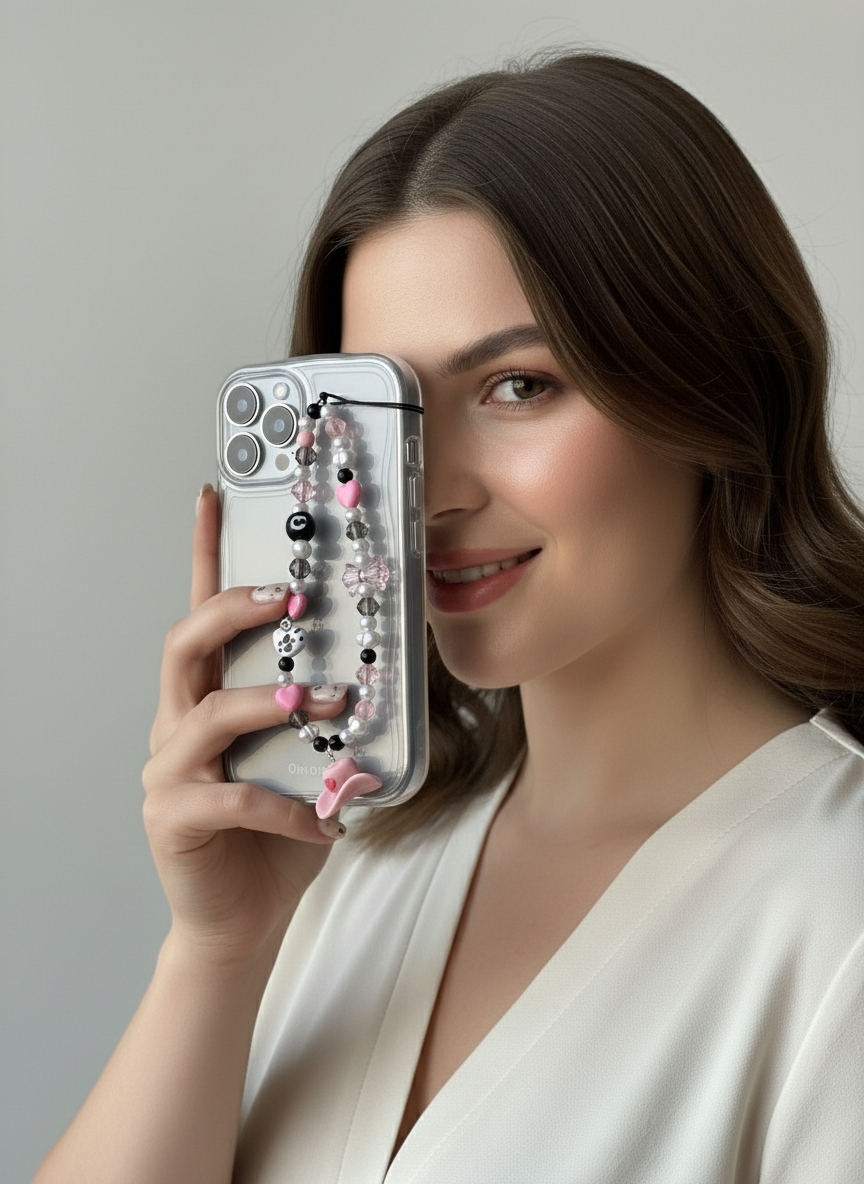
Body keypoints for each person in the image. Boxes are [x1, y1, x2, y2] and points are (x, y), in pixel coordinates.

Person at [34, 51, 864, 1184]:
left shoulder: (834, 908)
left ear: (709, 382)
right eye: (391, 414)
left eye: (518, 386)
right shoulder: (361, 860)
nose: (430, 492)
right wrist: (216, 953)